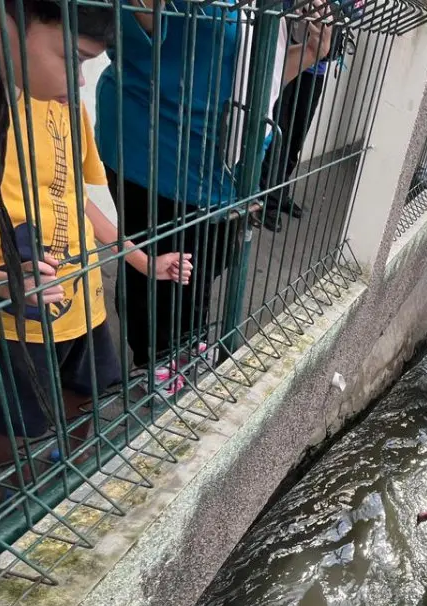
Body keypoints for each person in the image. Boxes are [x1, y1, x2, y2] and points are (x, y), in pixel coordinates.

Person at [0, 0, 193, 465]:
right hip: (4, 321)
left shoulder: (58, 102)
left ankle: (74, 474)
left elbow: (74, 198)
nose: (81, 82)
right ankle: (19, 492)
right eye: (74, 58)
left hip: (83, 303)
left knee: (87, 403)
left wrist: (142, 260)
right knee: (12, 425)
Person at [96, 0, 331, 380]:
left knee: (204, 262)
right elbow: (134, 36)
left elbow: (254, 77)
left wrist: (306, 54)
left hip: (223, 159)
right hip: (157, 150)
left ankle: (183, 348)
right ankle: (154, 363)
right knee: (159, 267)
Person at [259, 0, 361, 230]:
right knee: (278, 133)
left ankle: (280, 192)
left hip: (318, 66)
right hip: (291, 53)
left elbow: (355, 14)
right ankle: (266, 201)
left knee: (297, 136)